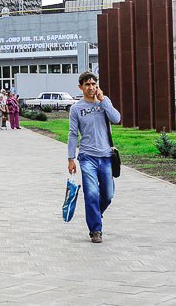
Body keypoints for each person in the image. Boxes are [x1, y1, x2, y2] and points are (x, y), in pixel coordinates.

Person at [68, 70, 121, 244]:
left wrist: (103, 100)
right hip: (87, 156)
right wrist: (70, 159)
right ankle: (96, 229)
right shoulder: (76, 108)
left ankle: (96, 214)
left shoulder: (104, 103)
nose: (91, 87)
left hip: (106, 156)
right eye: (87, 84)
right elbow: (72, 134)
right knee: (91, 194)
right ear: (81, 87)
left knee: (108, 194)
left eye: (93, 84)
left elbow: (117, 119)